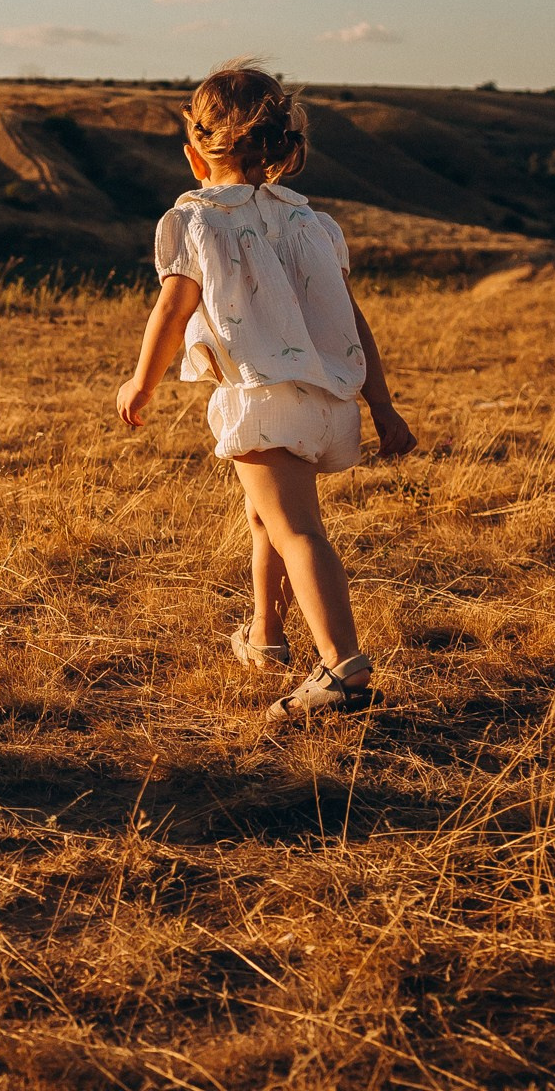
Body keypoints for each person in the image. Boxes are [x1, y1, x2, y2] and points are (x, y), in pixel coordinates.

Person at [113, 59, 418, 720]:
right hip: (327, 396)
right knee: (266, 521)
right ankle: (266, 636)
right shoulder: (313, 222)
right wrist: (381, 404)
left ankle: (341, 668)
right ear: (282, 149)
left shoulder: (193, 219)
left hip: (260, 392)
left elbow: (172, 309)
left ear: (193, 155)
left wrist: (143, 380)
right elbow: (350, 314)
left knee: (298, 530)